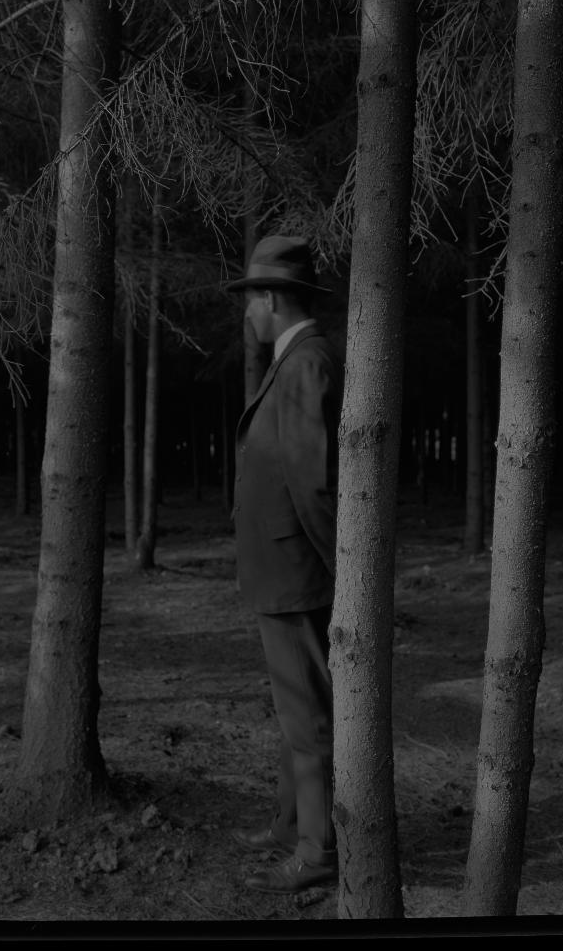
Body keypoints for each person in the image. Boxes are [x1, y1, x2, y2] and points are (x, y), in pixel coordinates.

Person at [224, 235, 343, 894]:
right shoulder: (295, 359)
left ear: (270, 300)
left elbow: (311, 481)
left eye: (251, 302)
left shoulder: (305, 364)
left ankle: (317, 850)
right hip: (283, 572)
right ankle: (287, 826)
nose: (247, 315)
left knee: (309, 717)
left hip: (298, 574)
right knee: (293, 707)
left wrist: (340, 570)